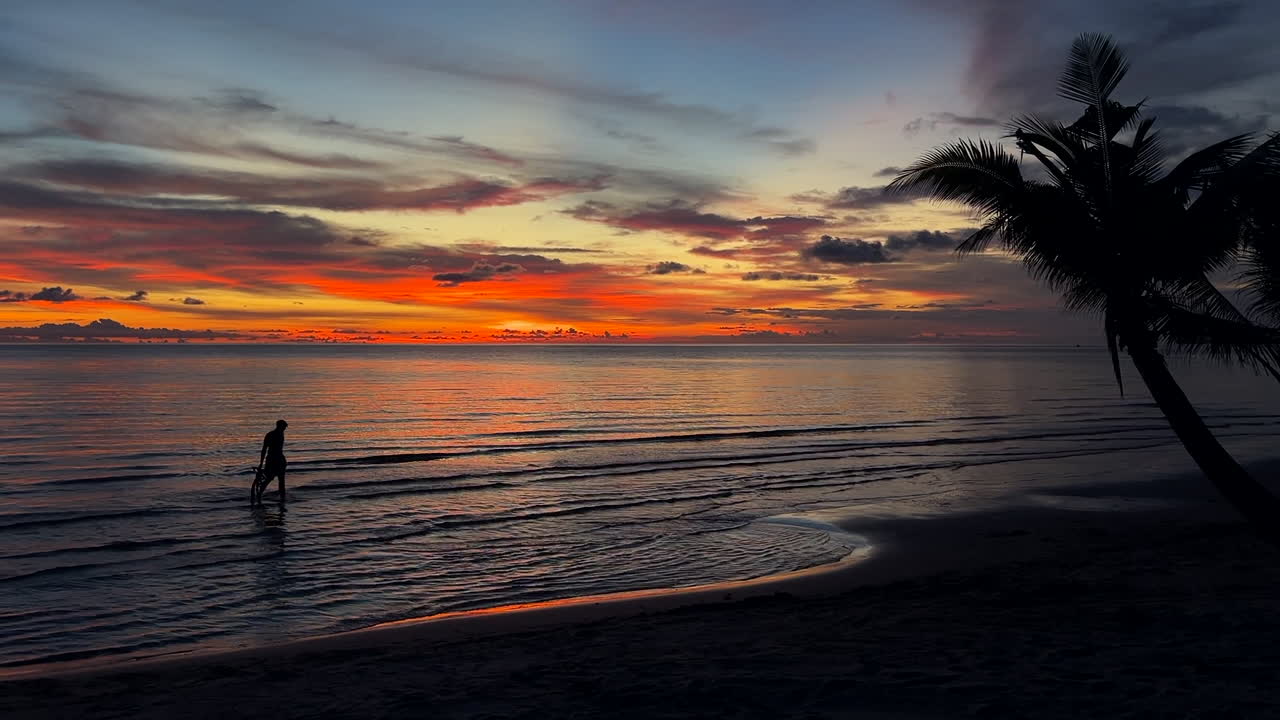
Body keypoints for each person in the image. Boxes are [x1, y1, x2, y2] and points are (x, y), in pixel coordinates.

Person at [255, 419, 288, 505]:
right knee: (270, 478)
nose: (284, 429)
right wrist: (261, 463)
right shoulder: (272, 435)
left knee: (279, 480)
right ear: (280, 426)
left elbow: (264, 449)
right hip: (273, 460)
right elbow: (264, 449)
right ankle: (259, 495)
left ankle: (282, 498)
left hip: (278, 459)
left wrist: (261, 463)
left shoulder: (276, 434)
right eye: (284, 427)